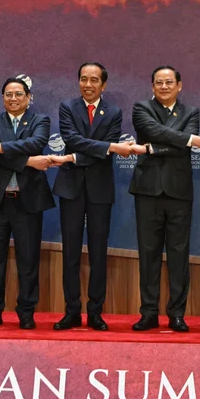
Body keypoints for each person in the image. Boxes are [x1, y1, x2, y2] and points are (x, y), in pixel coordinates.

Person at [129, 66, 200, 332]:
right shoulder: (141, 108)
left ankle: (177, 313)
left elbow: (164, 140)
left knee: (178, 254)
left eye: (169, 82)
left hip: (179, 191)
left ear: (179, 85)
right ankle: (148, 312)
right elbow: (155, 132)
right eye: (159, 82)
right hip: (147, 190)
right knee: (148, 254)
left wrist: (153, 148)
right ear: (152, 86)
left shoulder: (191, 112)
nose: (164, 86)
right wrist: (188, 140)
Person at [52, 62, 142, 331]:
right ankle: (71, 311)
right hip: (71, 187)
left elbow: (97, 149)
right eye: (83, 79)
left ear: (104, 85)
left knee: (98, 252)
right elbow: (73, 139)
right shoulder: (67, 107)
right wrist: (107, 148)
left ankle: (95, 312)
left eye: (93, 80)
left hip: (100, 188)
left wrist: (81, 156)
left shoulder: (113, 111)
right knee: (70, 252)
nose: (87, 85)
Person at [0, 77, 55, 330]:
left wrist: (1, 147)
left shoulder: (41, 120)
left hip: (28, 201)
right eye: (8, 94)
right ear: (2, 98)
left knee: (28, 260)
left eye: (19, 94)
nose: (13, 98)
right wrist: (28, 162)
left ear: (29, 97)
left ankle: (27, 312)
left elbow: (36, 143)